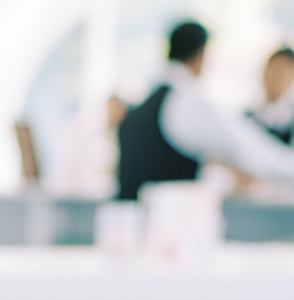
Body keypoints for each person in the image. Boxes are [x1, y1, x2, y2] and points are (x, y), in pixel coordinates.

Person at [116, 20, 294, 200]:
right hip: (167, 221)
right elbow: (250, 151)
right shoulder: (189, 102)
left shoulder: (144, 105)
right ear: (200, 55)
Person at [251, 46, 294, 144]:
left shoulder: (290, 124)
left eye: (281, 72)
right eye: (272, 68)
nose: (274, 77)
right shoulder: (249, 116)